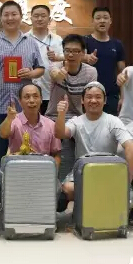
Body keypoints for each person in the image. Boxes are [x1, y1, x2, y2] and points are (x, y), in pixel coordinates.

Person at [0, 0, 45, 192]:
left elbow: (41, 68)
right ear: (1, 18)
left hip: (24, 107)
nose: (10, 18)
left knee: (25, 149)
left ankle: (24, 187)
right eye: (6, 14)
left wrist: (31, 73)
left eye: (14, 14)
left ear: (20, 17)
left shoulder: (30, 42)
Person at [54, 82, 133, 210]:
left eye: (98, 97)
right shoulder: (76, 121)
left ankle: (99, 202)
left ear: (105, 100)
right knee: (68, 189)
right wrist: (61, 114)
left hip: (109, 172)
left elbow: (131, 149)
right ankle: (101, 201)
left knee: (130, 200)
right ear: (82, 100)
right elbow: (60, 133)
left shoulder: (113, 121)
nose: (93, 100)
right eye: (89, 97)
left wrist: (127, 180)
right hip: (83, 173)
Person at [0, 82, 62, 210]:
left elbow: (56, 154)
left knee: (61, 201)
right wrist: (9, 118)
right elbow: (3, 134)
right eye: (27, 97)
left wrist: (50, 173)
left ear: (41, 99)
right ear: (20, 101)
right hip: (18, 174)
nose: (31, 100)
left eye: (35, 96)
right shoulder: (14, 121)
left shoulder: (50, 124)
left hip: (42, 175)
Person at [45, 34, 97, 180]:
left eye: (75, 51)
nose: (71, 55)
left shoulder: (91, 72)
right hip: (54, 117)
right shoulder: (56, 66)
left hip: (78, 118)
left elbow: (90, 97)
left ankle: (69, 181)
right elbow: (55, 75)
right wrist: (61, 74)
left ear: (83, 53)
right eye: (67, 51)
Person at [83, 7, 126, 116]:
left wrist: (123, 97)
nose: (102, 21)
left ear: (110, 21)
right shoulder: (84, 41)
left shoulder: (117, 44)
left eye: (105, 18)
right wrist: (86, 58)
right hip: (89, 94)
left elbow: (122, 72)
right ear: (92, 21)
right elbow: (74, 59)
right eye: (98, 18)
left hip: (111, 95)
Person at [27, 5, 64, 114]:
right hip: (28, 93)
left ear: (49, 19)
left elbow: (66, 58)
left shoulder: (57, 40)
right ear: (31, 19)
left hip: (51, 91)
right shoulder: (24, 39)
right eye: (36, 16)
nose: (39, 19)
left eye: (43, 16)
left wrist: (57, 57)